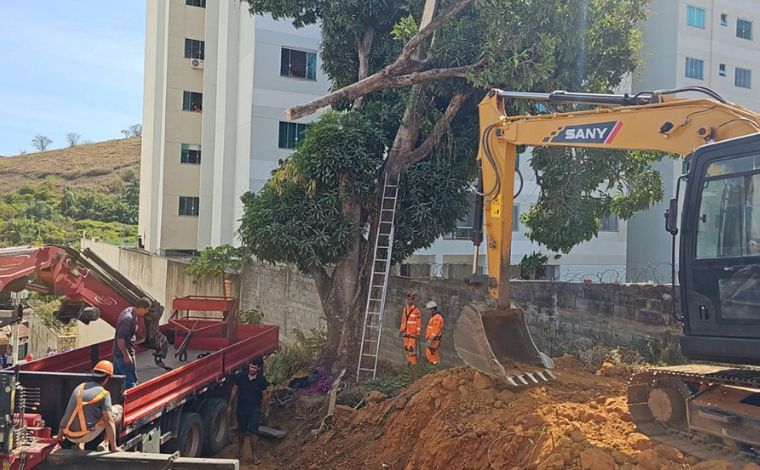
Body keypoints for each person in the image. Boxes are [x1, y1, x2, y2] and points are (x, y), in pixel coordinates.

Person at [55, 360, 123, 452]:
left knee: (82, 412)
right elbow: (109, 421)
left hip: (69, 436)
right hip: (86, 436)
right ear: (107, 378)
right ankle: (105, 443)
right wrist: (114, 447)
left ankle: (78, 444)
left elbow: (67, 414)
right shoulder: (104, 394)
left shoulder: (80, 388)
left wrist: (59, 437)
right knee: (118, 409)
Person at [228, 358, 270, 465]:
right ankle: (240, 450)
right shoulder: (241, 376)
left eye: (254, 368)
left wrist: (266, 410)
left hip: (254, 410)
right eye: (251, 367)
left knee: (253, 432)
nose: (252, 369)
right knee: (241, 431)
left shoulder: (262, 380)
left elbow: (265, 395)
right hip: (242, 409)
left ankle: (254, 456)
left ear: (258, 368)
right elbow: (234, 390)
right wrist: (230, 405)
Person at [113, 298, 151, 389]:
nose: (146, 313)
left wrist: (134, 328)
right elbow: (120, 339)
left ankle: (118, 400)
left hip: (118, 352)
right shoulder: (128, 319)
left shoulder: (129, 310)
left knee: (117, 381)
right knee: (130, 383)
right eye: (146, 310)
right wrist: (126, 355)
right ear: (141, 308)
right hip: (123, 355)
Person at [398, 291, 421, 366]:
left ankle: (413, 365)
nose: (409, 301)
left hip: (412, 334)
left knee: (411, 349)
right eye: (408, 299)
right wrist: (401, 330)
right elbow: (403, 321)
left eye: (410, 299)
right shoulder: (405, 309)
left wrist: (417, 333)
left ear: (413, 300)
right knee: (406, 349)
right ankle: (409, 363)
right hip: (405, 333)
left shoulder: (416, 310)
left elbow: (418, 323)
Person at [425, 301, 445, 365]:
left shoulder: (437, 318)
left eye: (429, 310)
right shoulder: (435, 317)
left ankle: (434, 365)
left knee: (429, 354)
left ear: (432, 309)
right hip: (434, 339)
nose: (428, 312)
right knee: (434, 354)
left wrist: (430, 339)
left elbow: (435, 330)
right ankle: (437, 367)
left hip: (433, 339)